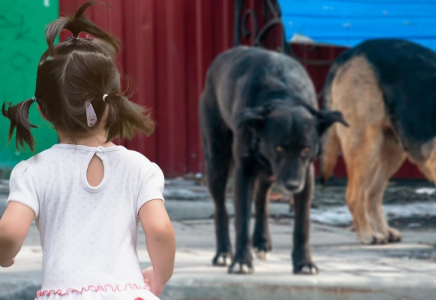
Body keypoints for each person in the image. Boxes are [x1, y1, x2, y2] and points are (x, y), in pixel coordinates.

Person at [0, 2, 175, 299]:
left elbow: (8, 234)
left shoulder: (34, 172)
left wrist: (4, 256)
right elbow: (159, 231)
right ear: (112, 101)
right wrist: (159, 277)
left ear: (42, 110)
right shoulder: (140, 168)